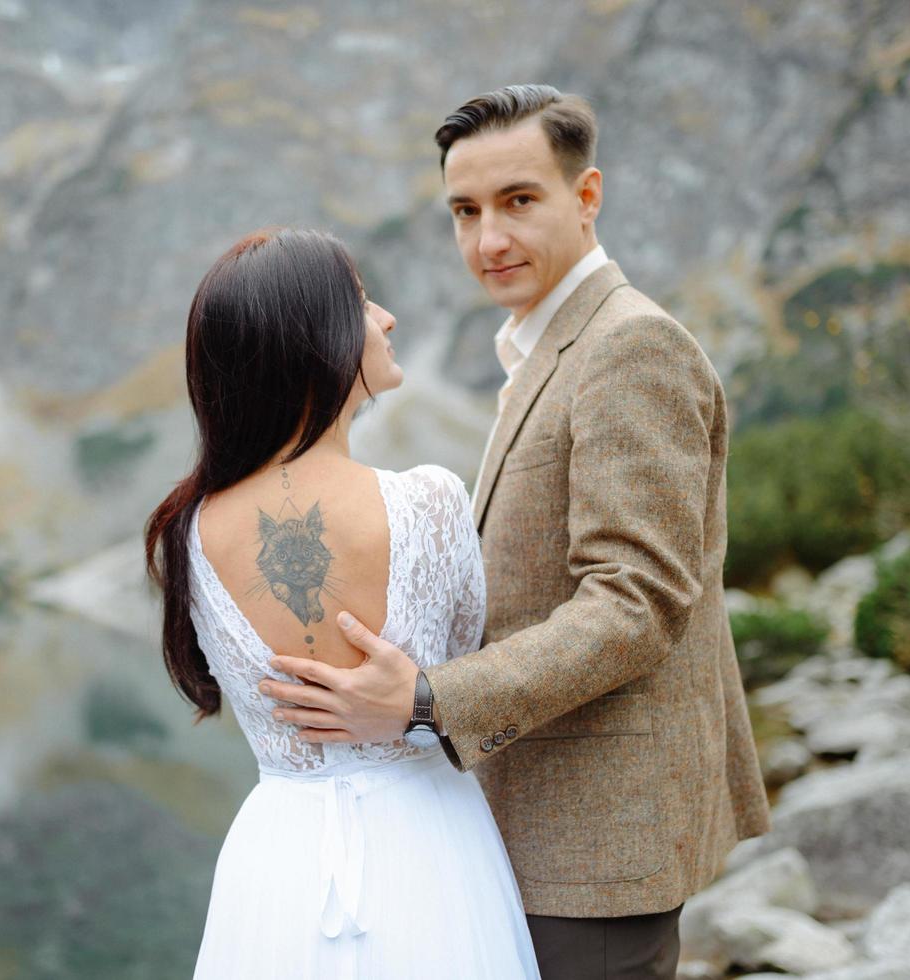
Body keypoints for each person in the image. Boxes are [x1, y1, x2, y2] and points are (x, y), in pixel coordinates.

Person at [261, 85, 772, 979]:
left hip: (600, 844)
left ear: (587, 196)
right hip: (540, 826)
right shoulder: (547, 347)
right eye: (466, 211)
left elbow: (635, 603)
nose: (488, 240)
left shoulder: (628, 347)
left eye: (519, 202)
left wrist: (426, 701)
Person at [144, 227, 540, 978]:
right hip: (428, 845)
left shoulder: (188, 530)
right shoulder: (429, 501)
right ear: (314, 341)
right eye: (361, 303)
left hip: (277, 860)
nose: (386, 318)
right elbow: (465, 671)